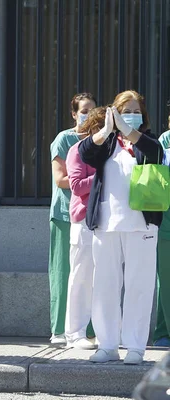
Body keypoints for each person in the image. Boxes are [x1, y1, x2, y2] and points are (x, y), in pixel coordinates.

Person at [79, 91, 162, 365]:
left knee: (139, 285)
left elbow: (155, 153)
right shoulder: (108, 142)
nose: (132, 115)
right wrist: (105, 131)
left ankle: (136, 346)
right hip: (107, 223)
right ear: (114, 113)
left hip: (142, 225)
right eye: (125, 110)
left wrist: (130, 131)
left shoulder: (148, 140)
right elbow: (85, 153)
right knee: (104, 285)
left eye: (136, 110)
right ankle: (108, 344)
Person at [49, 93, 96, 345]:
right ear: (74, 113)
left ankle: (88, 331)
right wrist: (95, 181)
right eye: (84, 110)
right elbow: (61, 179)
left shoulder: (99, 139)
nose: (88, 114)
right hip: (66, 214)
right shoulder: (64, 139)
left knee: (89, 274)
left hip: (92, 215)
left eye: (92, 109)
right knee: (64, 272)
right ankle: (59, 330)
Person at [65, 107, 104, 349]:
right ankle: (75, 333)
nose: (103, 134)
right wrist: (103, 174)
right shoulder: (77, 150)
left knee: (106, 280)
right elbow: (77, 186)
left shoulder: (116, 152)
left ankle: (104, 332)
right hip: (84, 222)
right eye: (98, 128)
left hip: (110, 222)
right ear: (89, 130)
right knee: (81, 278)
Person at [153, 113, 170, 348]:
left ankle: (161, 332)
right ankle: (162, 333)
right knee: (165, 279)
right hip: (166, 219)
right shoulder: (165, 140)